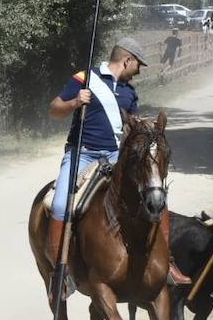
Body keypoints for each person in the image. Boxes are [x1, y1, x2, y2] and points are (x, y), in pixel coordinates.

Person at [45, 37, 186, 297]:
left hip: (115, 156)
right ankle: (60, 272)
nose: (140, 70)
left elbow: (130, 129)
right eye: (138, 65)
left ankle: (168, 262)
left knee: (155, 198)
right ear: (127, 60)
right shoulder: (84, 78)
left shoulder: (130, 92)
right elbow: (54, 109)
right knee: (61, 204)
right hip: (83, 155)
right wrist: (75, 102)